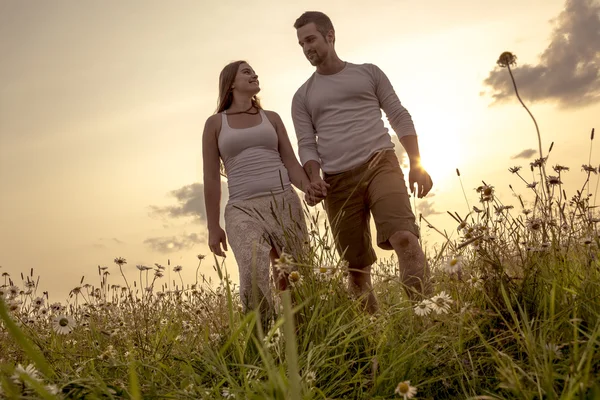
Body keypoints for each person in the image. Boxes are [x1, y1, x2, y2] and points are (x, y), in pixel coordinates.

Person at [291, 11, 433, 313]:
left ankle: (430, 321)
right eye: (301, 43)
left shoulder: (368, 73)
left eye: (311, 39)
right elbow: (306, 144)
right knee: (356, 272)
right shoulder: (302, 96)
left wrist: (417, 163)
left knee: (405, 239)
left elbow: (398, 115)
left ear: (330, 35)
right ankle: (376, 338)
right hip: (337, 181)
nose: (307, 48)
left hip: (380, 163)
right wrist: (314, 178)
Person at [202, 60, 313, 321]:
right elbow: (210, 177)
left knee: (294, 275)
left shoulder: (271, 118)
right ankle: (262, 337)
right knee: (253, 269)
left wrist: (309, 187)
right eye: (247, 72)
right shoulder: (215, 123)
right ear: (231, 83)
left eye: (254, 71)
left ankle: (300, 336)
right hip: (242, 208)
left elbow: (291, 162)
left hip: (284, 201)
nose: (255, 75)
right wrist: (213, 226)